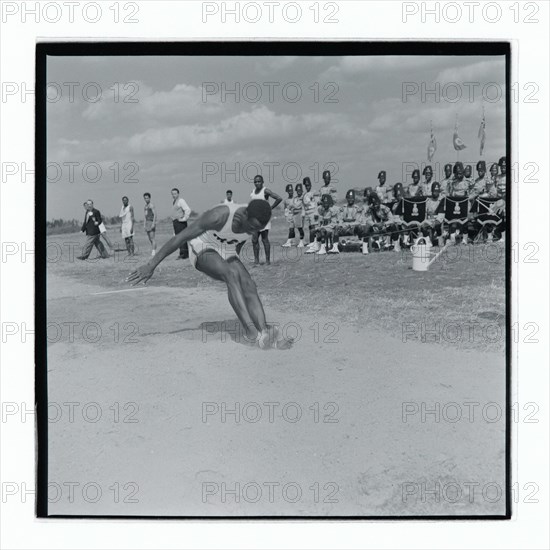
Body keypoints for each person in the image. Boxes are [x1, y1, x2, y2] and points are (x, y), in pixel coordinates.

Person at [127, 200, 292, 350]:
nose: (252, 231)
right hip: (201, 245)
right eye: (251, 226)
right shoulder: (219, 216)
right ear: (244, 214)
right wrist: (151, 265)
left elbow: (237, 243)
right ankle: (251, 334)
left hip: (225, 249)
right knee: (231, 274)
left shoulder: (254, 225)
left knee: (248, 283)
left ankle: (264, 332)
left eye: (257, 229)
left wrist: (234, 264)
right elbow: (180, 238)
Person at [249, 174, 282, 266]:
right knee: (254, 240)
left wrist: (270, 208)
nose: (257, 183)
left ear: (262, 182)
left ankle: (267, 261)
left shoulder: (265, 191)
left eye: (259, 181)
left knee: (264, 239)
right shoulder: (252, 192)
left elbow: (279, 198)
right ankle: (256, 261)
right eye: (255, 182)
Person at [420, 182, 444, 246]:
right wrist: (425, 221)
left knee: (438, 225)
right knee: (423, 226)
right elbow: (425, 213)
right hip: (429, 220)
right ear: (431, 191)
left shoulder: (441, 201)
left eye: (437, 191)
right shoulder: (428, 201)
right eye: (434, 191)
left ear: (439, 191)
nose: (435, 193)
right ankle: (428, 242)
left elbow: (441, 215)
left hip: (438, 220)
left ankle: (440, 240)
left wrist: (435, 222)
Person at [171, 188, 192, 260]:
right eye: (172, 194)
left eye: (175, 193)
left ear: (178, 194)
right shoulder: (174, 201)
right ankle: (183, 253)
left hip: (180, 222)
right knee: (178, 238)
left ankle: (184, 254)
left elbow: (187, 209)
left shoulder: (181, 201)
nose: (174, 195)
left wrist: (184, 219)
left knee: (182, 238)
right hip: (176, 222)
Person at [302, 177, 320, 244]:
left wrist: (316, 212)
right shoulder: (304, 195)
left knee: (314, 228)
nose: (307, 187)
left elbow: (317, 204)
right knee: (310, 228)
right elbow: (304, 206)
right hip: (307, 213)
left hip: (313, 212)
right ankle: (312, 242)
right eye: (306, 186)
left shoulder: (314, 193)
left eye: (308, 185)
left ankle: (314, 242)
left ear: (311, 185)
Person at [143, 192, 157, 257]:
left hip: (151, 222)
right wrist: (144, 224)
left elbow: (155, 215)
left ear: (149, 198)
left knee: (152, 238)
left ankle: (153, 251)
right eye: (145, 198)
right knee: (149, 238)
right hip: (147, 222)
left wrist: (153, 223)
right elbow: (145, 216)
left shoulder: (151, 205)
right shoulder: (145, 206)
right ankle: (153, 249)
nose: (146, 199)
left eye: (147, 198)